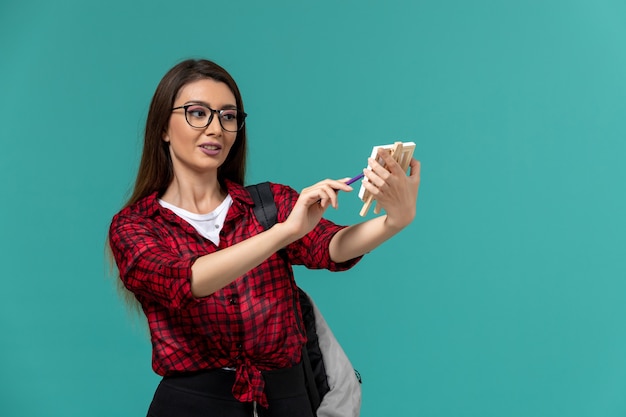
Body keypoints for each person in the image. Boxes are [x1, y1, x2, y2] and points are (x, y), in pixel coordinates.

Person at [108, 58, 421, 417]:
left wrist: (395, 221)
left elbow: (331, 247)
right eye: (198, 113)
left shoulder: (268, 202)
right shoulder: (135, 226)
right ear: (163, 126)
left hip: (286, 401)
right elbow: (189, 280)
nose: (216, 128)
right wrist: (284, 232)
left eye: (228, 116)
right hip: (194, 405)